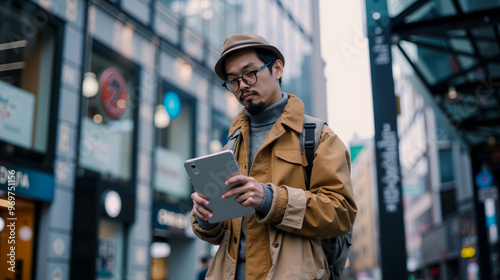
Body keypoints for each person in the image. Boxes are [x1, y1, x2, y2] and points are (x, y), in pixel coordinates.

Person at [190, 33, 357, 280]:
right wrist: (205, 217)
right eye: (233, 80)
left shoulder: (317, 137)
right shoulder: (230, 147)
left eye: (250, 73)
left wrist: (270, 200)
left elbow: (342, 212)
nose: (242, 85)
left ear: (277, 68)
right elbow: (221, 233)